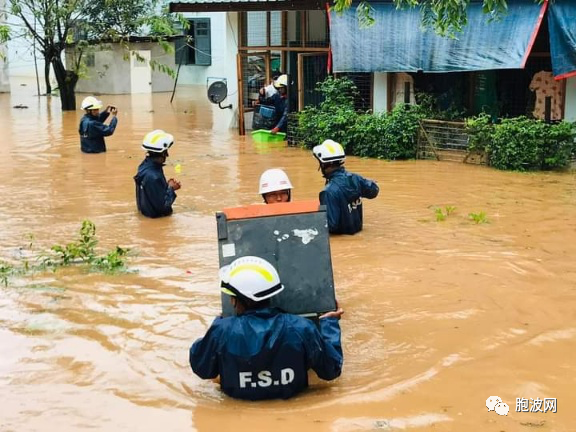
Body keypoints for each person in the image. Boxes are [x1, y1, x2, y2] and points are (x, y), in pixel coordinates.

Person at [189, 256, 343, 401]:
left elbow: (202, 368)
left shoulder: (222, 330)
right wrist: (329, 323)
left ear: (235, 301)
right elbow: (332, 370)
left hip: (239, 415)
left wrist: (217, 326)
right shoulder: (302, 328)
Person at [312, 139, 379, 235]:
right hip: (357, 233)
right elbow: (374, 191)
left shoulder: (328, 192)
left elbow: (330, 225)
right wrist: (370, 182)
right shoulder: (356, 178)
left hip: (341, 238)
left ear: (324, 164)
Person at [134, 129, 181, 218]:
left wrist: (165, 186)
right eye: (166, 152)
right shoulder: (154, 176)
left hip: (146, 213)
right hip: (155, 218)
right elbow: (163, 207)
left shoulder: (144, 166)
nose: (167, 155)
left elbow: (152, 194)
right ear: (163, 154)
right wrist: (171, 189)